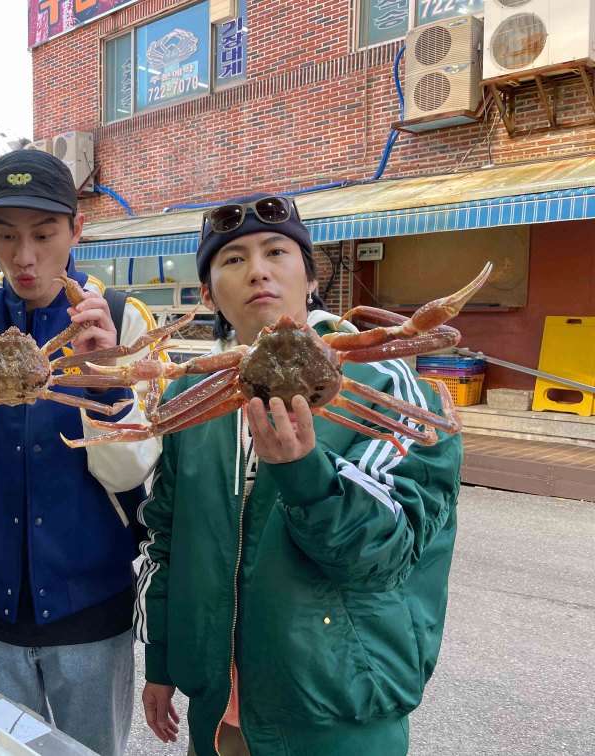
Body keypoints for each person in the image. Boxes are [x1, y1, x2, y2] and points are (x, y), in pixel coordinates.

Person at [137, 193, 463, 756]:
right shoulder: (190, 395)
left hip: (339, 708)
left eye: (276, 252)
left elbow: (389, 555)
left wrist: (307, 475)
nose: (257, 270)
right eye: (233, 259)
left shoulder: (388, 383)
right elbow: (165, 536)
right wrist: (161, 660)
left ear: (311, 278)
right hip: (218, 709)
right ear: (209, 292)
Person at [0, 150, 161, 756]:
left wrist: (107, 384)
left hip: (92, 601)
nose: (24, 257)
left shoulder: (123, 320)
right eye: (5, 234)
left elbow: (131, 470)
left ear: (76, 229)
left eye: (44, 235)